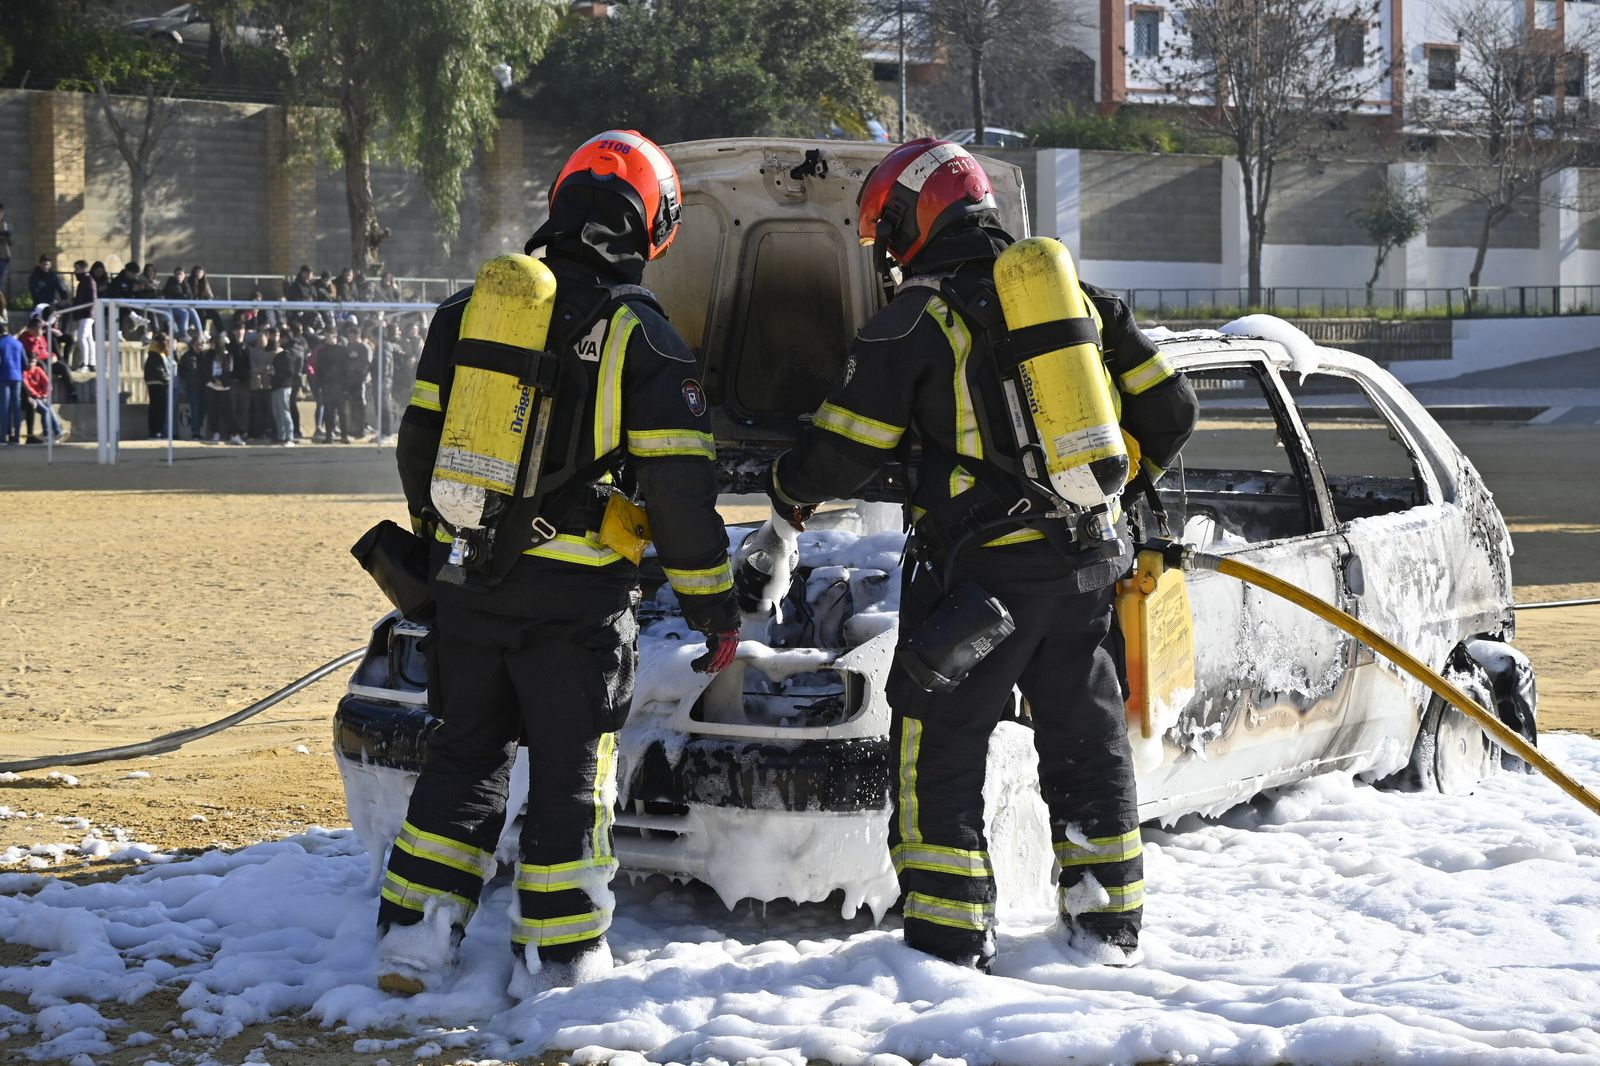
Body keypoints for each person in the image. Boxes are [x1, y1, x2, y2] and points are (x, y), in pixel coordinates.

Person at [751, 138, 1199, 971]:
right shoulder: (1077, 302)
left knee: (938, 751)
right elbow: (1173, 409)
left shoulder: (916, 320)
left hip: (981, 587)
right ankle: (1108, 935)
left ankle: (947, 952)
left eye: (887, 228)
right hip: (1083, 570)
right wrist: (1115, 480)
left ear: (917, 216)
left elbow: (840, 454)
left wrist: (783, 490)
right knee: (1086, 745)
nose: (884, 248)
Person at [375, 129, 740, 999]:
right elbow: (682, 501)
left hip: (468, 587)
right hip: (575, 605)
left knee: (463, 756)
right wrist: (715, 610)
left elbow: (416, 446)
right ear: (653, 226)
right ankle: (558, 960)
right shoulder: (640, 335)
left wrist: (453, 544)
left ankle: (411, 946)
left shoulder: (469, 312)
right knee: (571, 776)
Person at [23, 352, 66, 444]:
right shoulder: (24, 372)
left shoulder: (38, 369)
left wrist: (45, 394)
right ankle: (47, 435)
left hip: (42, 396)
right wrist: (38, 396)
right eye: (30, 362)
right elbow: (27, 388)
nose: (31, 364)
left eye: (33, 362)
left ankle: (57, 431)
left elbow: (47, 382)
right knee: (45, 410)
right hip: (32, 398)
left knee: (50, 407)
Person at [144, 332, 173, 439]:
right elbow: (158, 371)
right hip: (157, 384)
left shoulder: (158, 354)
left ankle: (156, 431)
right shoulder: (154, 354)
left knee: (158, 408)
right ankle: (155, 431)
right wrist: (166, 379)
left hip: (160, 383)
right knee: (157, 408)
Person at [70, 261, 99, 370]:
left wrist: (82, 310)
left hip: (87, 314)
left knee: (81, 337)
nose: (75, 271)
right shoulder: (85, 281)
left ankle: (84, 363)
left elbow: (91, 299)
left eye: (77, 268)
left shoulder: (88, 281)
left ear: (83, 269)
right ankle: (91, 362)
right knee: (88, 338)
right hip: (85, 313)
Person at [0, 320, 24, 445]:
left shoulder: (0, 343)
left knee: (3, 409)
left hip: (3, 377)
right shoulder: (18, 343)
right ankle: (17, 438)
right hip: (17, 376)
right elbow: (24, 361)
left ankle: (2, 437)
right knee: (16, 408)